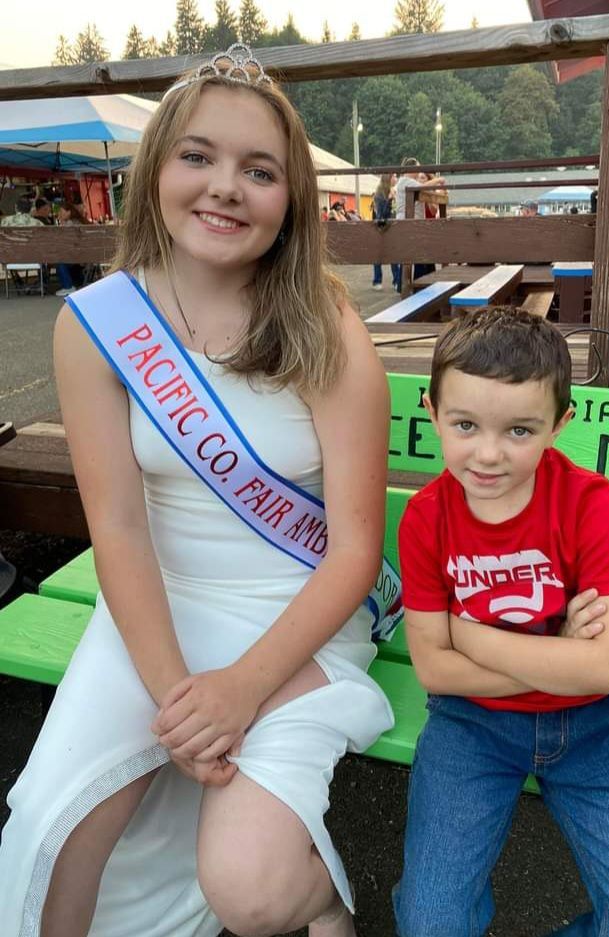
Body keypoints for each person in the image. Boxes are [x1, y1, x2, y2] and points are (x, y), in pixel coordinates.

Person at [0, 44, 394, 937]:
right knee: (53, 839)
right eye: (198, 156)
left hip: (297, 616)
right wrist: (182, 697)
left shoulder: (324, 322)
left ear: (290, 200)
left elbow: (356, 551)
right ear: (155, 172)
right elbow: (120, 532)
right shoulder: (97, 323)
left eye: (259, 171)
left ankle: (325, 900)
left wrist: (241, 691)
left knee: (249, 893)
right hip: (157, 608)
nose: (225, 187)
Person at [393, 308, 609, 937]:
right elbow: (433, 668)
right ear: (431, 412)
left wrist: (475, 637)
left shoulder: (589, 503)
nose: (487, 453)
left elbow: (608, 667)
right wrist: (557, 657)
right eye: (464, 425)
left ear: (559, 424)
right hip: (473, 726)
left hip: (594, 725)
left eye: (519, 430)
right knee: (431, 923)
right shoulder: (426, 519)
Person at [394, 157, 445, 289]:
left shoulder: (405, 181)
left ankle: (408, 284)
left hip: (411, 223)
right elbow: (422, 186)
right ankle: (411, 285)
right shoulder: (406, 181)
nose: (419, 172)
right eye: (418, 168)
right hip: (409, 223)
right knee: (413, 256)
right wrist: (438, 180)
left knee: (412, 255)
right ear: (412, 169)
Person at [371, 172, 400, 292]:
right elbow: (380, 215)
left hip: (392, 228)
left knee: (394, 255)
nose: (396, 178)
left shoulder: (393, 191)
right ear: (388, 178)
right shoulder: (379, 194)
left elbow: (395, 211)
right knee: (379, 255)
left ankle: (397, 281)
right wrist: (389, 199)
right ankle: (377, 280)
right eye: (394, 176)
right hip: (381, 229)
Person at [55, 200, 90, 297]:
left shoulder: (70, 224)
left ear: (69, 212)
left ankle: (68, 286)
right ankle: (76, 281)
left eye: (61, 212)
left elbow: (64, 242)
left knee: (59, 259)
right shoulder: (81, 222)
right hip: (86, 255)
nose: (59, 214)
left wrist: (61, 223)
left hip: (77, 256)